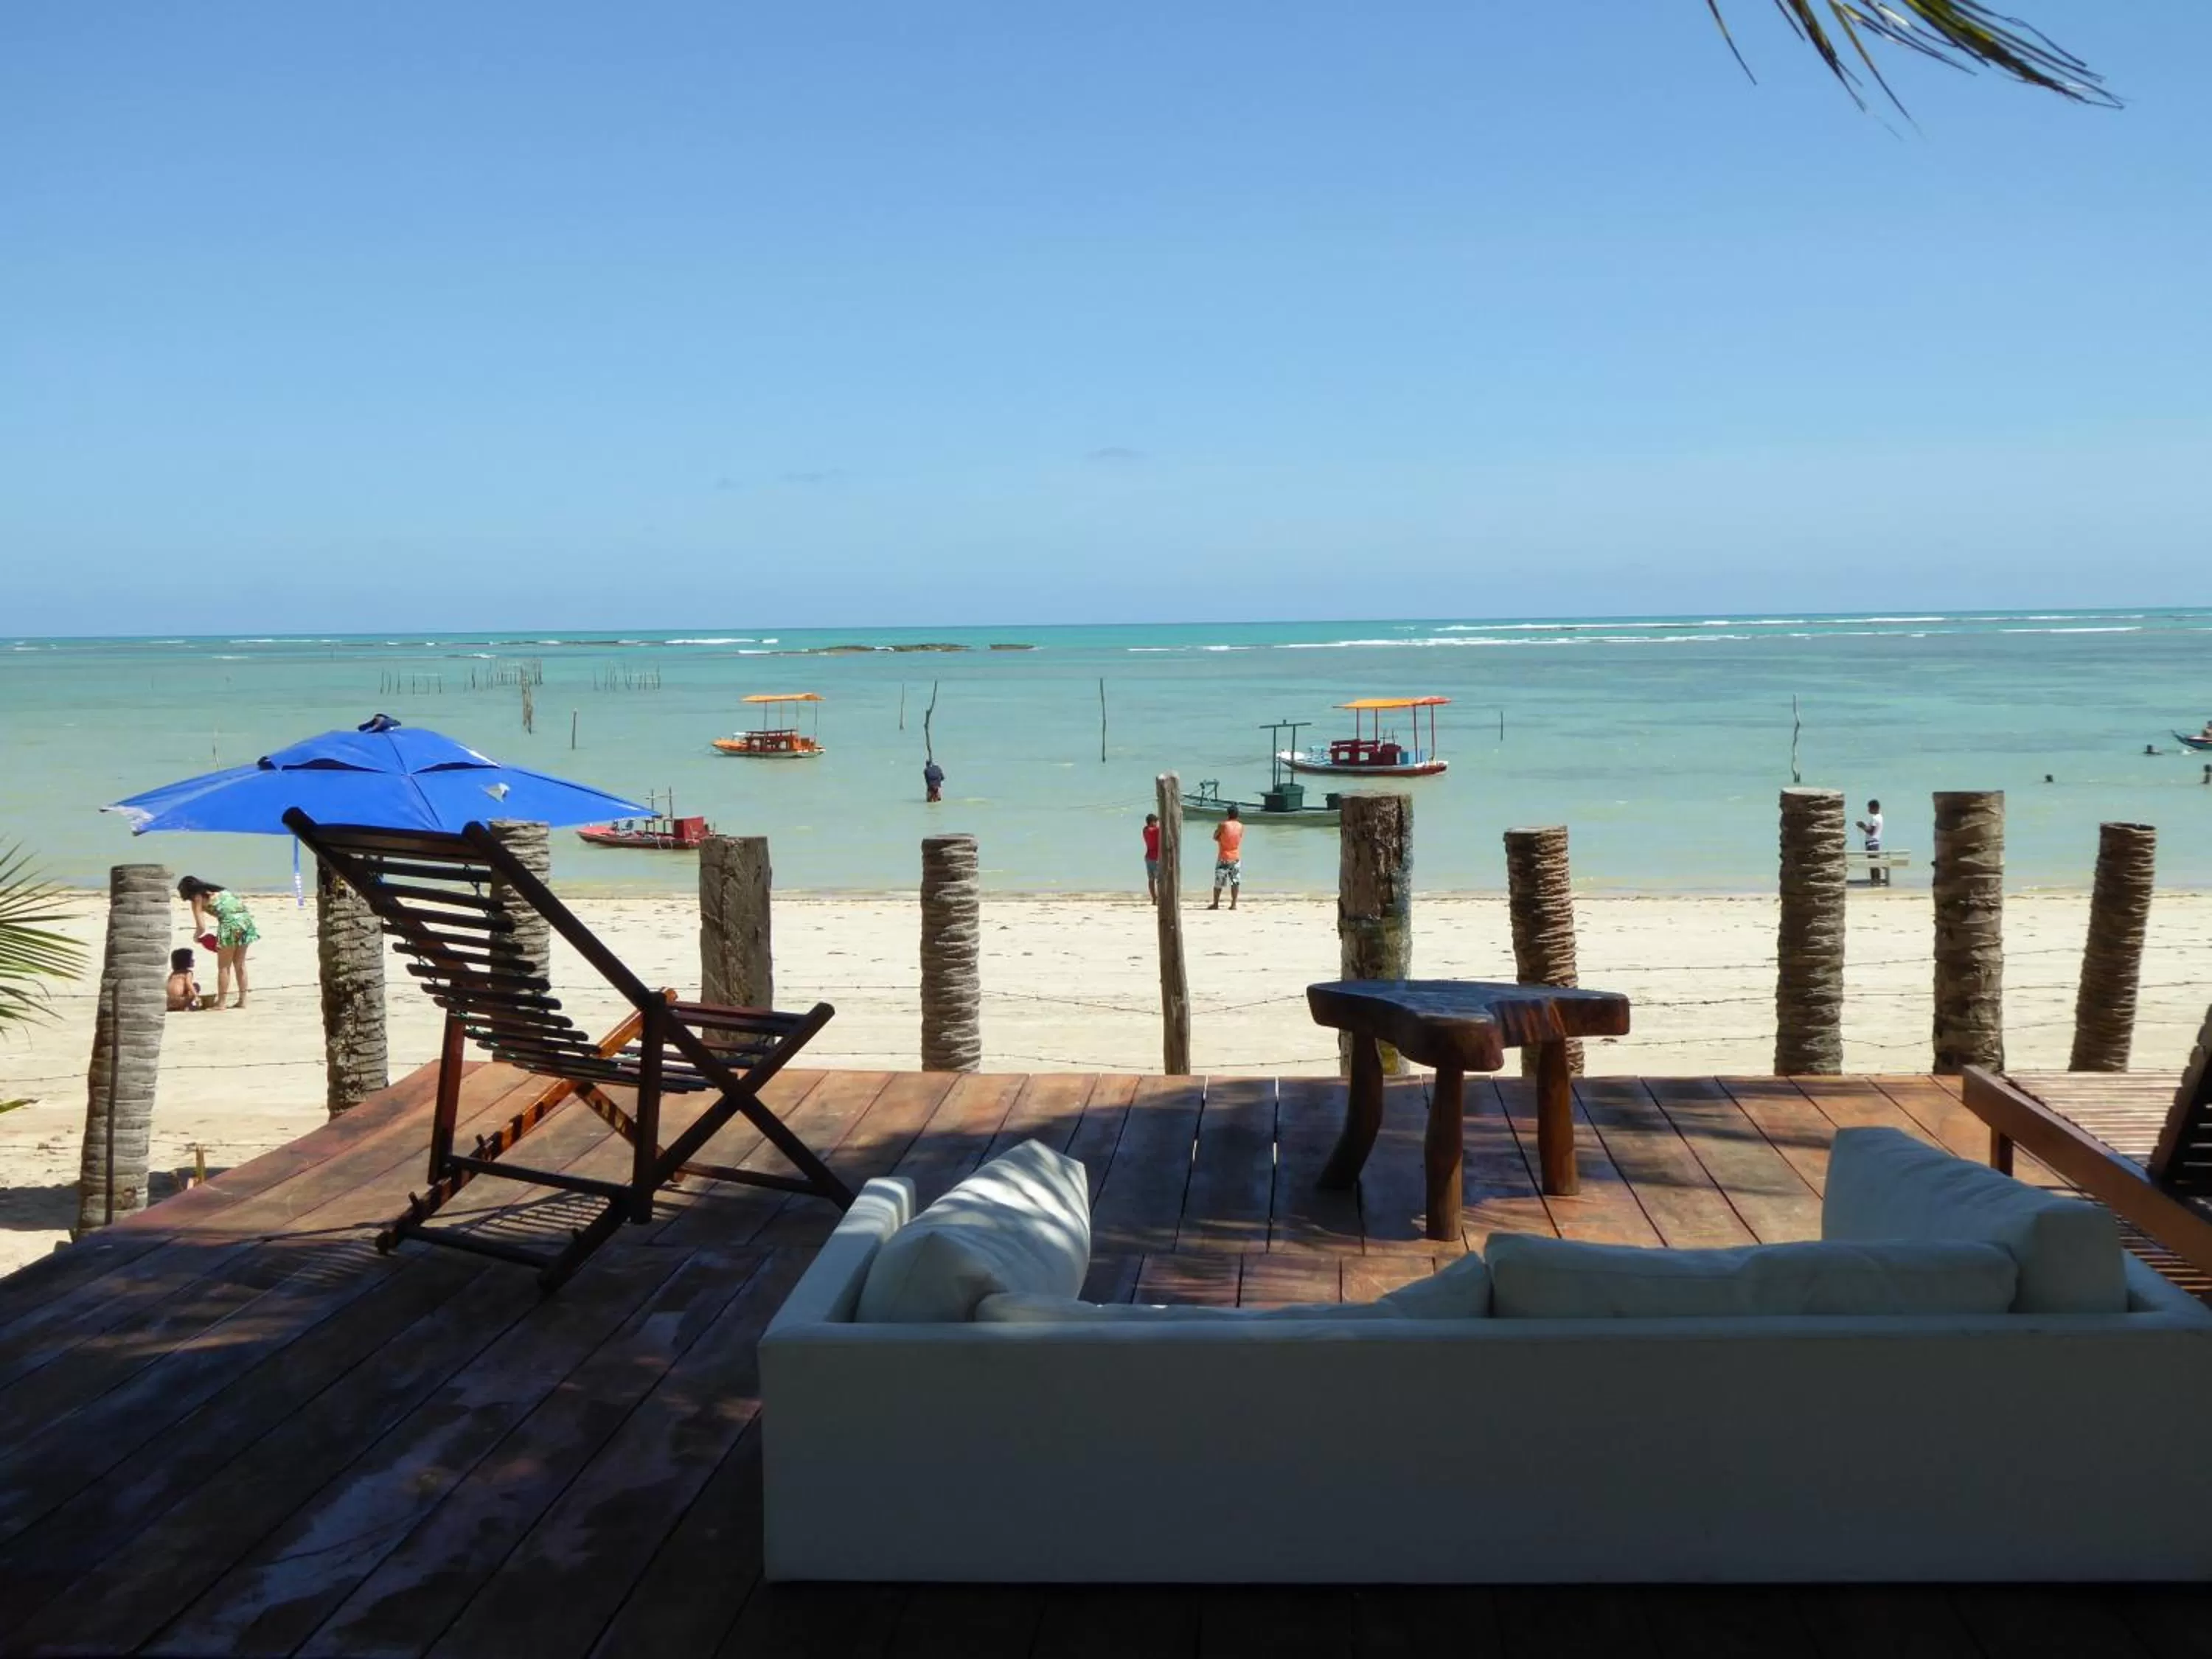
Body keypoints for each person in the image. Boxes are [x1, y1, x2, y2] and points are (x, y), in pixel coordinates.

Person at [178, 876, 258, 1009]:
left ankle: (221, 1003)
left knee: (224, 967)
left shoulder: (196, 898)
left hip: (229, 925)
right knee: (240, 964)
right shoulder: (218, 891)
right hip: (246, 921)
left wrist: (196, 938)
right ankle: (243, 1001)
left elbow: (201, 927)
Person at [1208, 805, 1243, 911]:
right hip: (1236, 857)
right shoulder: (1241, 826)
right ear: (1237, 815)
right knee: (1235, 881)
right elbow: (1239, 837)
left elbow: (1215, 836)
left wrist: (1220, 839)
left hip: (1224, 856)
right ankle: (1233, 904)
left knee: (1219, 882)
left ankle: (1216, 904)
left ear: (1228, 814)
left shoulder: (1223, 825)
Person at [1854, 799, 1887, 888]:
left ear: (1874, 808)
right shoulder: (1880, 817)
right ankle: (1876, 881)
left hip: (1871, 843)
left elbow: (1871, 831)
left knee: (1873, 864)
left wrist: (1862, 825)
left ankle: (1875, 882)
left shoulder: (1875, 818)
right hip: (1875, 842)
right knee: (1875, 863)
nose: (1868, 810)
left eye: (1869, 808)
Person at [165, 947, 203, 1012]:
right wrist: (196, 996)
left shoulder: (173, 973)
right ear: (186, 961)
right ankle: (187, 1006)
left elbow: (168, 984)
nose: (193, 960)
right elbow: (189, 984)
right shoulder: (188, 973)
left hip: (169, 1002)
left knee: (182, 988)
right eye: (191, 959)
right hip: (181, 1001)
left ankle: (173, 1007)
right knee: (196, 986)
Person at [1142, 812, 1161, 902]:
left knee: (1151, 879)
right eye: (1156, 822)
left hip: (1148, 857)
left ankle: (1154, 898)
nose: (1157, 823)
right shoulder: (1155, 831)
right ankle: (1160, 898)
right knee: (1159, 880)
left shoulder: (1145, 830)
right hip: (1156, 858)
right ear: (1152, 822)